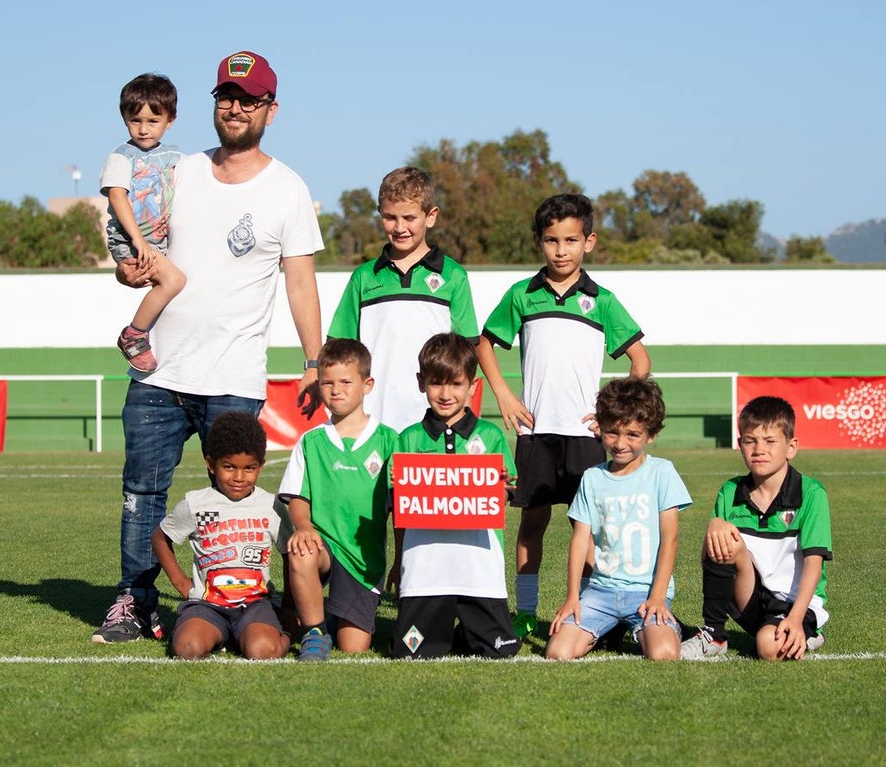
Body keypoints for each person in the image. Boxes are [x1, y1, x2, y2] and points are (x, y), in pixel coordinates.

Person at [92, 49, 324, 644]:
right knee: (143, 491)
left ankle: (248, 603)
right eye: (227, 96)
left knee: (237, 502)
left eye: (249, 99)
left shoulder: (288, 189)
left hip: (233, 377)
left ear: (272, 109)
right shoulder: (178, 170)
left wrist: (314, 361)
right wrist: (127, 270)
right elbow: (136, 238)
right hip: (159, 372)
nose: (236, 108)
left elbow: (300, 282)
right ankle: (134, 601)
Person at [476, 192, 651, 638]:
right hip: (535, 434)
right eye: (552, 240)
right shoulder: (522, 294)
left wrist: (610, 415)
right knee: (531, 524)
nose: (561, 250)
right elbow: (483, 344)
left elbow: (640, 362)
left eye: (570, 240)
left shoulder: (603, 300)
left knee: (589, 529)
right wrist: (504, 395)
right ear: (539, 241)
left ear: (588, 242)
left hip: (584, 438)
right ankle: (526, 611)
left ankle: (596, 614)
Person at [389, 333, 520, 660]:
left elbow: (507, 491)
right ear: (422, 383)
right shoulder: (408, 440)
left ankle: (466, 628)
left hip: (478, 566)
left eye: (456, 384)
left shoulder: (489, 437)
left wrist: (501, 487)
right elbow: (399, 510)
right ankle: (440, 626)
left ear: (472, 387)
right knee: (412, 653)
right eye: (436, 384)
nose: (445, 394)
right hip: (425, 568)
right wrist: (398, 560)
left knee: (498, 652)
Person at [545, 377, 691, 661]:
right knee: (558, 652)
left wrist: (658, 597)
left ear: (651, 435)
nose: (620, 443)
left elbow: (669, 539)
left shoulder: (662, 472)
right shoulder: (592, 477)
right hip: (600, 591)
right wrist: (572, 597)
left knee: (663, 654)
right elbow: (579, 540)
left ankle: (675, 628)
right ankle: (606, 628)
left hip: (646, 591)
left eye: (633, 435)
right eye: (612, 433)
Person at [327, 166, 479, 432]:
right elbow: (340, 348)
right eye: (389, 217)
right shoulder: (363, 277)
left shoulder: (454, 276)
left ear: (431, 216)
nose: (399, 228)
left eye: (409, 217)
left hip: (434, 423)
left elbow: (467, 352)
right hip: (373, 420)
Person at [680, 396, 832, 661]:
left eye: (770, 441)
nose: (759, 449)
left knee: (768, 649)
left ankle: (808, 631)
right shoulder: (730, 491)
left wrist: (796, 618)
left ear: (791, 447)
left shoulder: (810, 493)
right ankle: (714, 634)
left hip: (794, 603)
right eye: (751, 441)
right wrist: (714, 525)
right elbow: (710, 557)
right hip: (749, 597)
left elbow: (813, 564)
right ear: (740, 445)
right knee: (721, 532)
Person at [276, 339, 399, 661]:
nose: (336, 390)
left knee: (353, 646)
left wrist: (401, 558)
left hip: (364, 560)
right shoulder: (311, 441)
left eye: (346, 382)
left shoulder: (389, 440)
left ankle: (321, 611)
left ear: (367, 384)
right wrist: (303, 526)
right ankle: (314, 631)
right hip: (324, 546)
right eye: (327, 383)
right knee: (301, 552)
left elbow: (401, 506)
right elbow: (298, 498)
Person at [151, 411, 288, 660]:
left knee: (261, 651)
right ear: (210, 464)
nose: (238, 477)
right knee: (187, 649)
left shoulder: (271, 506)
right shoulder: (197, 504)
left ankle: (280, 634)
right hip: (207, 606)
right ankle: (220, 634)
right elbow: (161, 537)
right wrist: (182, 583)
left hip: (256, 604)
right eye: (228, 467)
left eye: (249, 468)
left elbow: (290, 555)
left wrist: (291, 604)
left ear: (261, 466)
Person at [100, 73, 187, 373]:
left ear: (170, 120)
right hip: (132, 242)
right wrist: (137, 241)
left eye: (152, 121)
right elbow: (117, 196)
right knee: (175, 281)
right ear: (125, 118)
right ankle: (134, 334)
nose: (143, 129)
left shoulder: (175, 157)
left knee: (171, 283)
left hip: (158, 244)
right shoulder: (122, 157)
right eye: (135, 120)